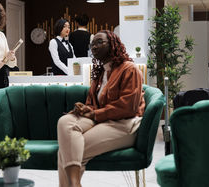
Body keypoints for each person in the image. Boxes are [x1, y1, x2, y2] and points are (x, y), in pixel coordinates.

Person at [57, 30, 145, 187]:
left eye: (99, 42)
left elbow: (128, 107)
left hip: (125, 123)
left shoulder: (129, 69)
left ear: (113, 44)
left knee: (68, 150)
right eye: (92, 44)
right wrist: (85, 109)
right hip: (102, 120)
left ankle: (73, 184)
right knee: (65, 121)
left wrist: (94, 113)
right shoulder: (101, 73)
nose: (94, 47)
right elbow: (94, 104)